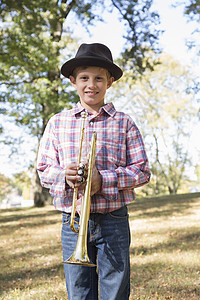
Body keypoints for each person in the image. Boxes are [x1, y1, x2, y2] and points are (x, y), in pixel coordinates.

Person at [37, 43, 151, 300]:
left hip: (114, 219)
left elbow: (142, 170)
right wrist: (64, 176)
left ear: (109, 82)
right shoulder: (58, 122)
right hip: (73, 221)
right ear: (72, 81)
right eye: (84, 78)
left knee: (115, 290)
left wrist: (105, 179)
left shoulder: (123, 122)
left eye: (99, 78)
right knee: (78, 291)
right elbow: (44, 169)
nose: (92, 85)